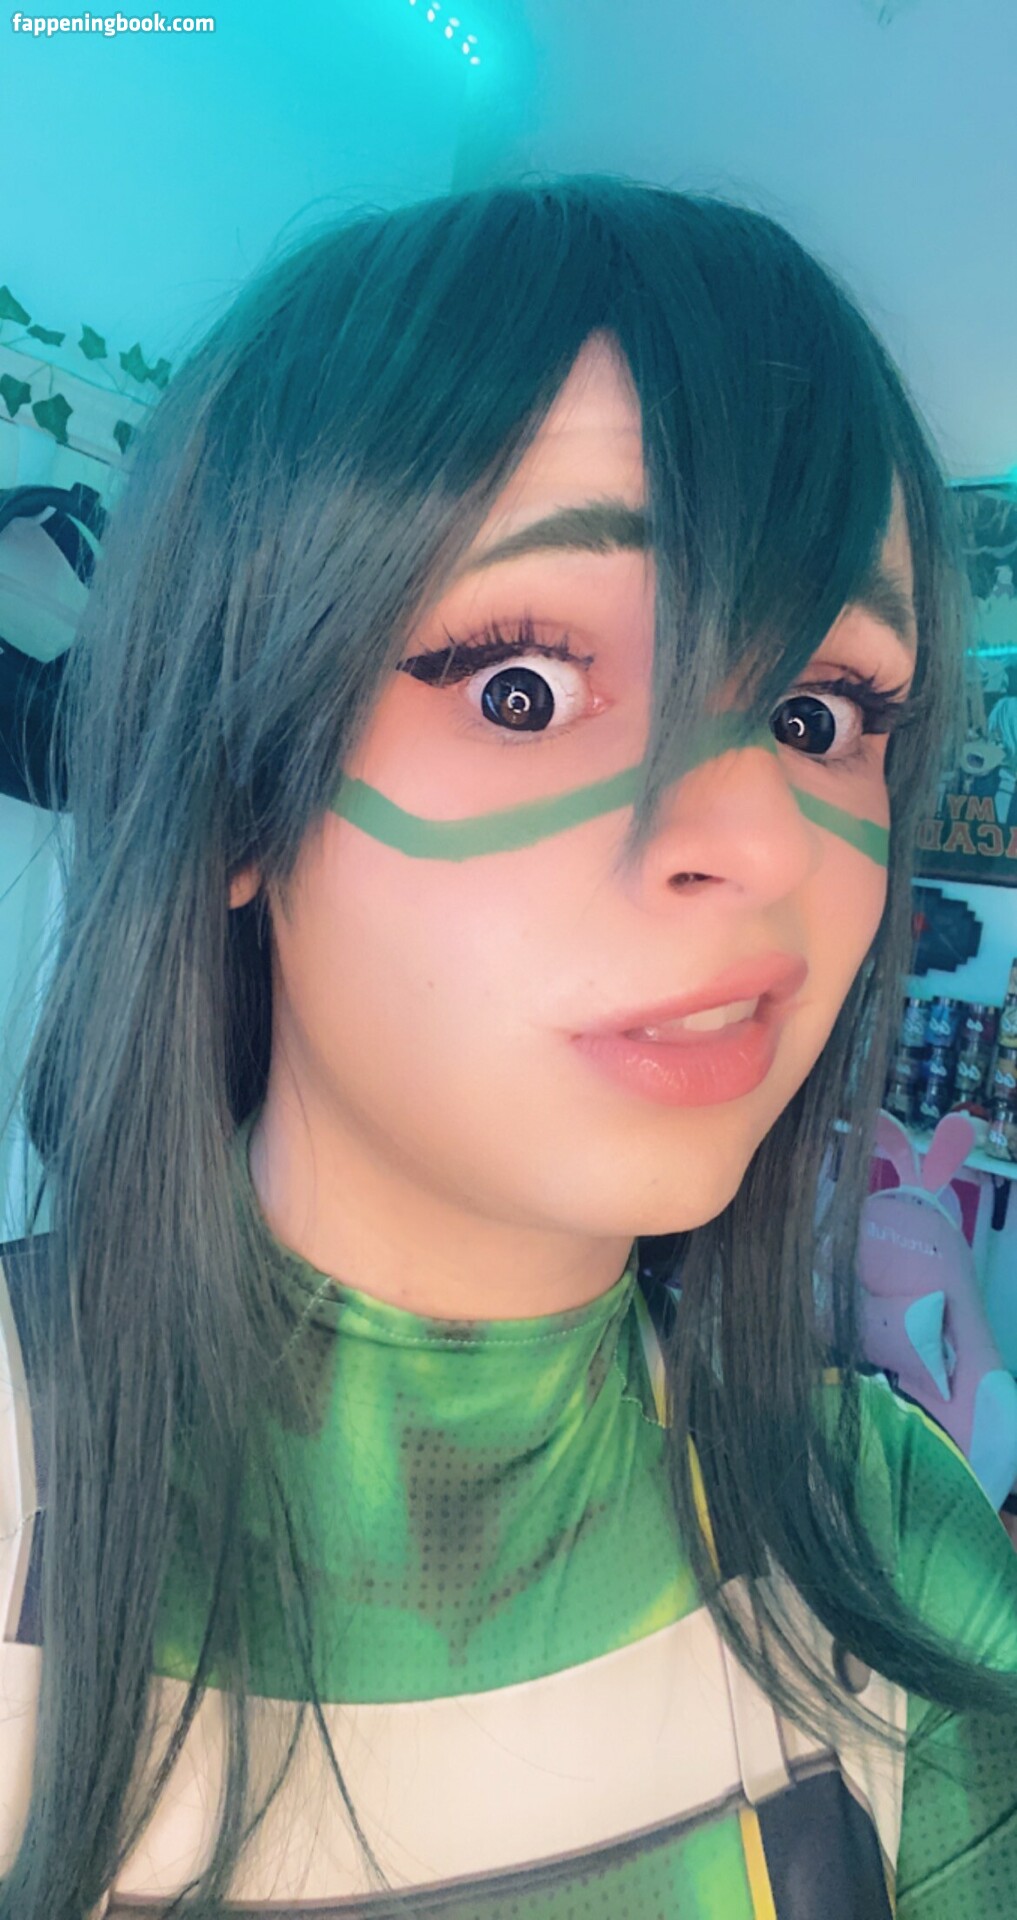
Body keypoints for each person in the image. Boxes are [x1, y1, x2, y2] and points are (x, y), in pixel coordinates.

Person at [1, 176, 1016, 1920]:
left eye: (816, 713)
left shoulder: (891, 1544)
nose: (757, 842)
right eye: (520, 689)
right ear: (239, 790)